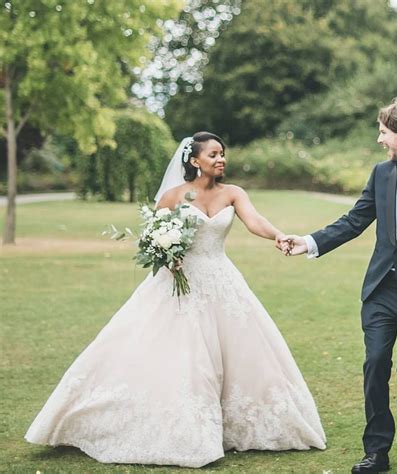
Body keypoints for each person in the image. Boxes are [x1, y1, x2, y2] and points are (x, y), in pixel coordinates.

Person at [24, 131, 326, 468]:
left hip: (222, 281)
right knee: (184, 355)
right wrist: (168, 256)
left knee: (242, 353)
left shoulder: (233, 193)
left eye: (222, 153)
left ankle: (237, 426)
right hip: (180, 284)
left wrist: (278, 235)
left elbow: (254, 221)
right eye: (213, 154)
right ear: (195, 160)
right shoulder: (174, 196)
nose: (221, 158)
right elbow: (152, 238)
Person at [281, 98, 397, 473]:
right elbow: (355, 219)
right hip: (381, 290)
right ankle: (376, 451)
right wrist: (310, 241)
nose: (380, 138)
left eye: (384, 131)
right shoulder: (381, 174)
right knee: (375, 363)